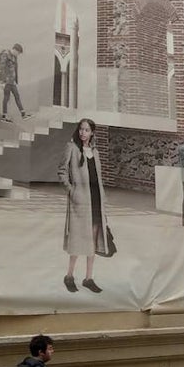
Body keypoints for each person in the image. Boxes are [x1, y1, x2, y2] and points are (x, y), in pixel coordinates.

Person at [58, 118, 110, 292]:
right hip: (79, 201)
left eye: (86, 130)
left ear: (92, 132)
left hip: (95, 200)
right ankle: (69, 276)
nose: (83, 133)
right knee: (77, 238)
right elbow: (62, 171)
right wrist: (71, 191)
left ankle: (88, 278)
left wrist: (103, 198)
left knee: (93, 240)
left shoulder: (94, 151)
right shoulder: (71, 148)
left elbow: (98, 177)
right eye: (81, 129)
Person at [0, 43, 31, 123]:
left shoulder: (14, 57)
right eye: (18, 53)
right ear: (15, 50)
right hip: (6, 81)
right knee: (6, 97)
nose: (18, 54)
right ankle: (4, 116)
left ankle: (23, 114)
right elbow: (1, 68)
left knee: (17, 96)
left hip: (12, 81)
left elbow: (15, 69)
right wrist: (2, 82)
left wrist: (16, 80)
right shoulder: (5, 54)